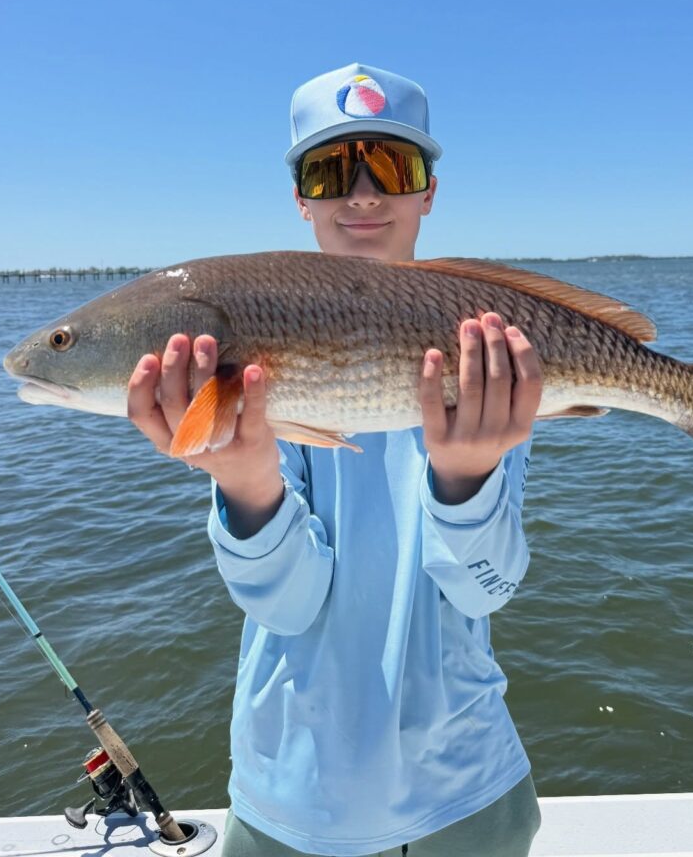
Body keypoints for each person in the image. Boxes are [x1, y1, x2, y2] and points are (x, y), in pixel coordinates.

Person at [127, 63, 544, 856]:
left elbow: (486, 588)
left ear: (428, 192)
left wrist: (467, 481)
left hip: (469, 793)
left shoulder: (480, 354)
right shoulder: (247, 352)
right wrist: (246, 485)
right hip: (290, 805)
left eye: (392, 166)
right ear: (300, 198)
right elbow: (286, 608)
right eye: (330, 169)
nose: (362, 194)